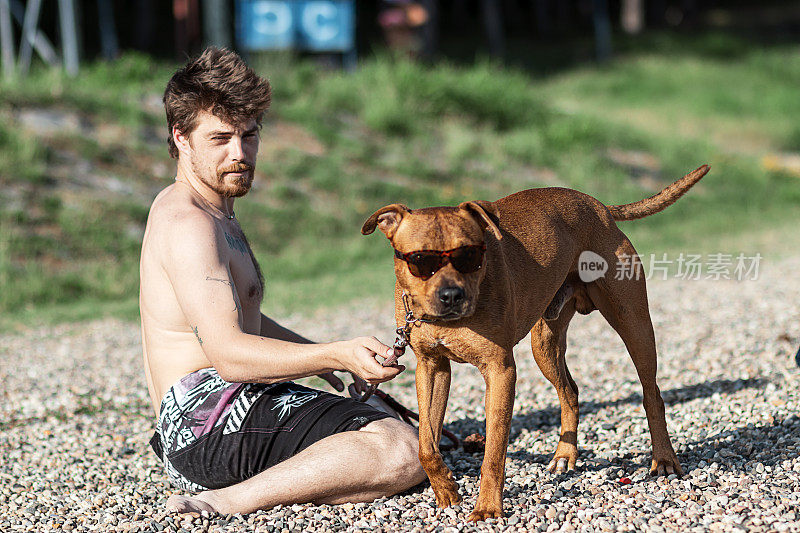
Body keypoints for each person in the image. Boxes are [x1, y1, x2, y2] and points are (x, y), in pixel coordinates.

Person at [139, 47, 426, 515]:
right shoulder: (187, 223)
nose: (240, 154)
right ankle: (227, 502)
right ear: (181, 137)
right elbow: (229, 354)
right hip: (203, 428)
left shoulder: (213, 210)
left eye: (249, 135)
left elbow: (235, 314)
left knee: (386, 423)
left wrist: (325, 360)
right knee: (401, 449)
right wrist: (333, 352)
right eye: (220, 139)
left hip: (226, 409)